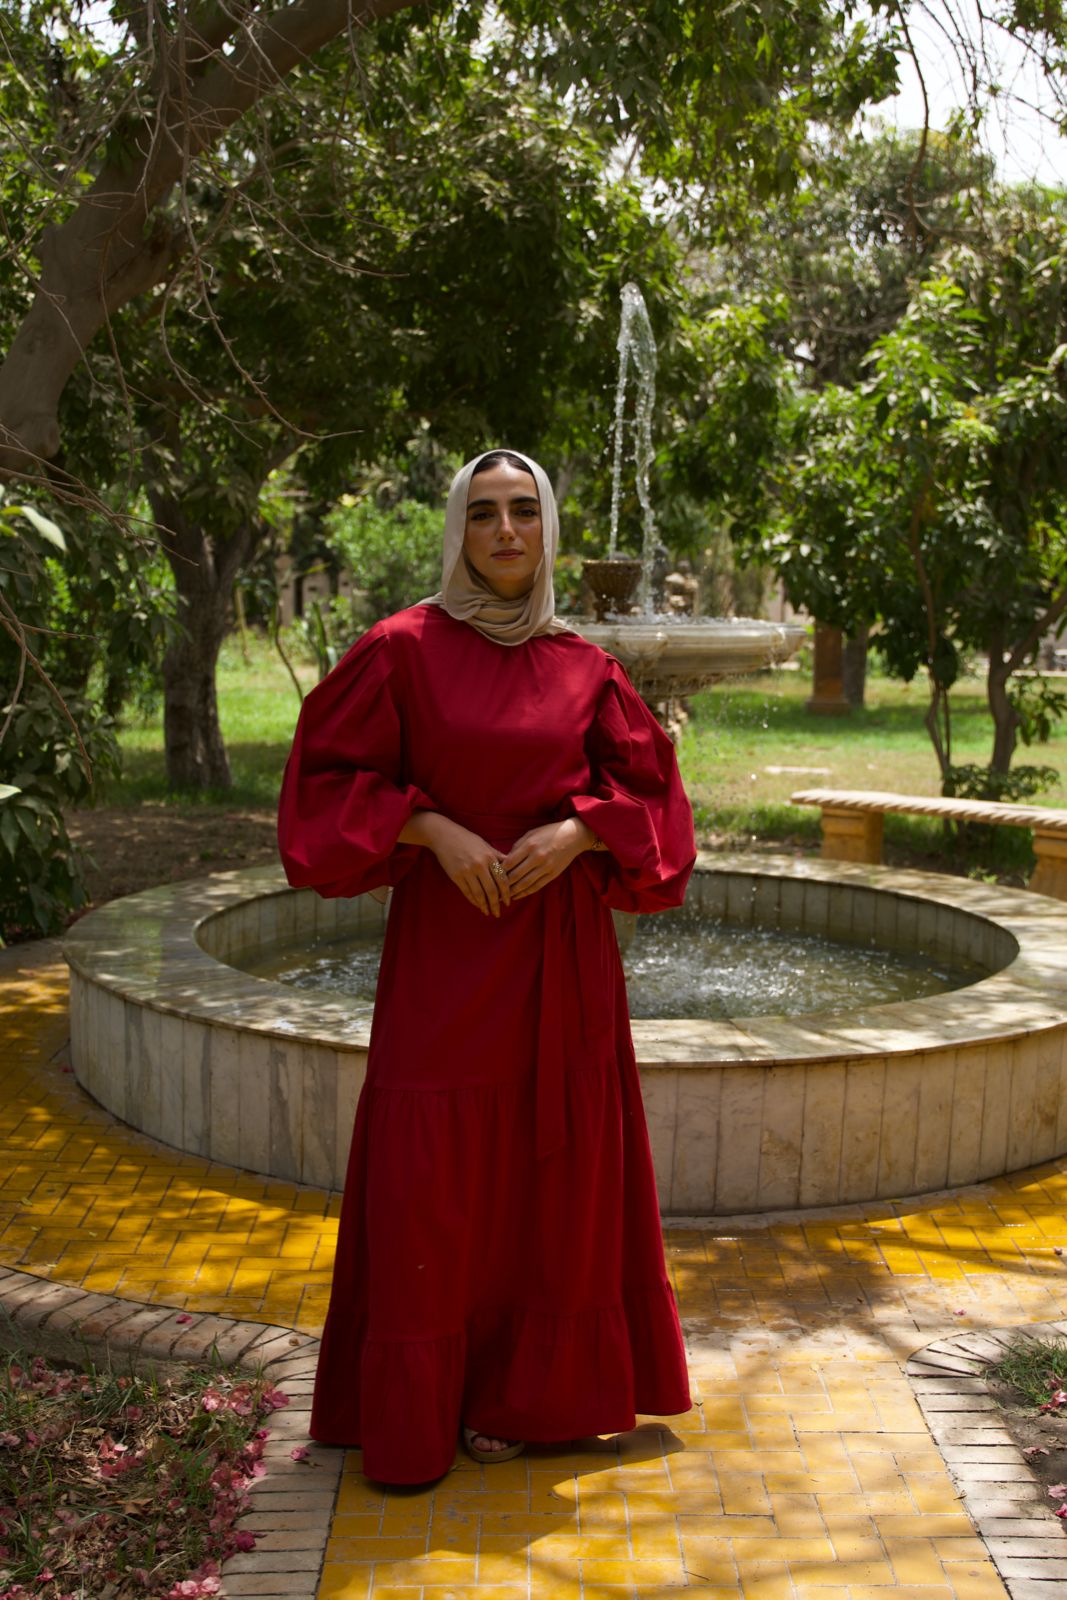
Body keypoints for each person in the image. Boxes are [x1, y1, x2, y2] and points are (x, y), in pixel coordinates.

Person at [277, 448, 695, 1485]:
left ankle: (532, 1396)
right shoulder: (400, 649)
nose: (505, 531)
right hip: (447, 953)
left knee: (551, 1171)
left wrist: (579, 833)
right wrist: (428, 829)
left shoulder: (584, 668)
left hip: (560, 963)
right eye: (482, 514)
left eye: (522, 512)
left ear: (546, 531)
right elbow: (320, 794)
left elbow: (658, 810)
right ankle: (422, 1408)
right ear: (456, 530)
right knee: (432, 1174)